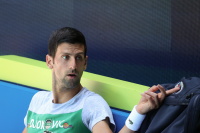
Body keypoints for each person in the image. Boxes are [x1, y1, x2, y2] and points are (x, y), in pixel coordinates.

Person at [22, 27, 179, 133]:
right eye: (65, 57)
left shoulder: (90, 103)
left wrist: (137, 112)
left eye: (78, 58)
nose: (73, 65)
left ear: (85, 63)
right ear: (50, 62)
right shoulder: (38, 100)